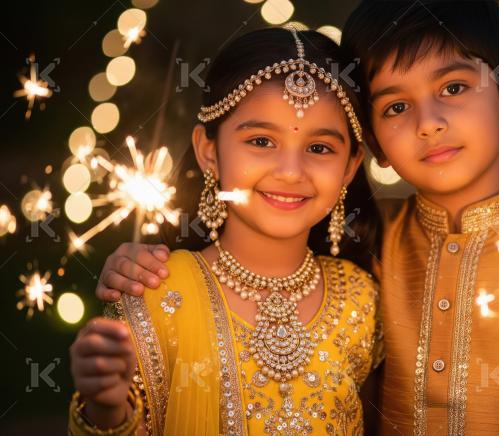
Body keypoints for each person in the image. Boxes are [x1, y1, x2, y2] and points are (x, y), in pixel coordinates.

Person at [95, 1, 499, 434]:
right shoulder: (368, 240)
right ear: (371, 143)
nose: (428, 122)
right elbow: (256, 262)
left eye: (453, 86)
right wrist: (141, 265)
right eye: (396, 105)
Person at [68, 27, 382, 436]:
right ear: (209, 151)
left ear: (350, 166)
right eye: (261, 141)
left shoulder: (363, 299)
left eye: (319, 148)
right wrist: (106, 409)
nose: (290, 172)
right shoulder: (156, 291)